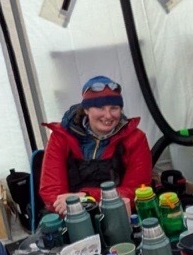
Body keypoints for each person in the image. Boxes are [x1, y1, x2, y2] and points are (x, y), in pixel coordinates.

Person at [39, 75, 152, 215]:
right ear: (86, 110)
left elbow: (138, 191)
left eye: (114, 108)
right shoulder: (61, 137)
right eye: (100, 107)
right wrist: (75, 207)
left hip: (121, 213)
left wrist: (88, 197)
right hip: (71, 214)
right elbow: (51, 191)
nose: (108, 115)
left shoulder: (135, 139)